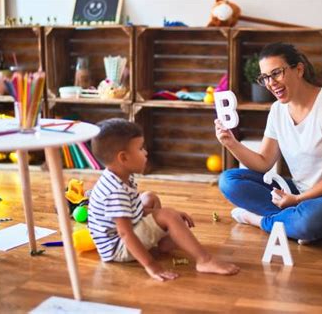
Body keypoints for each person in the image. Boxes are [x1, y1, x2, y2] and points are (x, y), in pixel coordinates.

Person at [215, 42, 322, 244]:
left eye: (276, 73)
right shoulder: (278, 111)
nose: (271, 83)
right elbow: (263, 162)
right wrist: (230, 143)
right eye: (265, 78)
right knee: (229, 181)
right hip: (298, 193)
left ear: (298, 69)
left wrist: (298, 201)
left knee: (311, 218)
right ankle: (295, 224)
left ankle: (262, 221)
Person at [89, 118, 239, 281]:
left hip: (123, 236)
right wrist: (151, 265)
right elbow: (125, 233)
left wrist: (166, 215)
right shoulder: (115, 191)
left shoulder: (122, 176)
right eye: (140, 149)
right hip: (118, 248)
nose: (145, 152)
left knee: (150, 198)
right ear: (123, 158)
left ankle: (162, 241)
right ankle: (205, 260)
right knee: (167, 216)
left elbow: (132, 211)